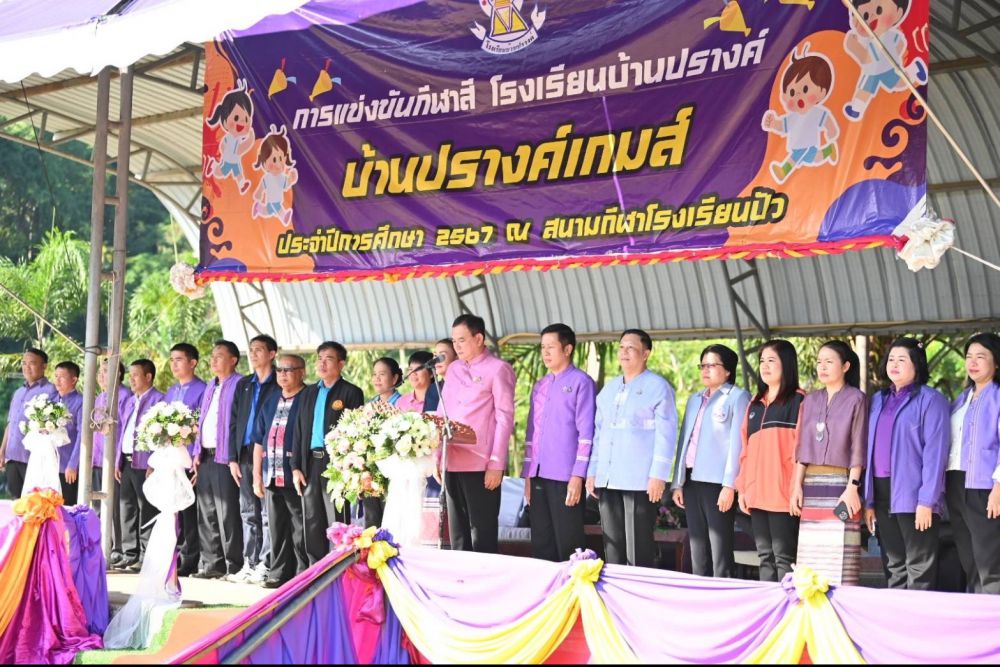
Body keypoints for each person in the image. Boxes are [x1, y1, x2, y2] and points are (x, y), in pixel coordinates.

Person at [863, 337, 949, 590]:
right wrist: (869, 501)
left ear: (917, 365)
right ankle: (896, 614)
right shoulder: (878, 400)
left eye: (902, 360)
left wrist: (927, 501)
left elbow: (936, 454)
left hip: (914, 492)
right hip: (881, 491)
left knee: (918, 565)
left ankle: (918, 615)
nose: (894, 364)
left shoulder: (931, 400)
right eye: (891, 359)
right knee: (893, 564)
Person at [587, 329, 678, 567]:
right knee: (612, 547)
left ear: (645, 354)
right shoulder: (608, 390)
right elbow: (598, 434)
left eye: (631, 348)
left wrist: (658, 475)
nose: (624, 352)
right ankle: (615, 590)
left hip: (639, 480)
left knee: (639, 549)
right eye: (621, 347)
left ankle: (639, 590)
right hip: (608, 479)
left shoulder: (658, 387)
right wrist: (593, 471)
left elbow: (667, 436)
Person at [791, 341, 867, 586]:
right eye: (819, 362)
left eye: (829, 361)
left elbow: (859, 446)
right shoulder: (810, 400)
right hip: (811, 485)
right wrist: (796, 486)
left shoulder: (857, 399)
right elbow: (802, 447)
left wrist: (852, 487)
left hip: (842, 484)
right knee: (812, 551)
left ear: (845, 366)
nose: (822, 367)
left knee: (839, 551)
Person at [671, 344, 751, 578]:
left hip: (717, 483)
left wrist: (730, 486)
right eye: (702, 365)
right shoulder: (694, 399)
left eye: (712, 365)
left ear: (727, 370)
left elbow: (738, 444)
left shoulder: (737, 397)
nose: (705, 370)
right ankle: (700, 593)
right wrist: (678, 482)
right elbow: (685, 440)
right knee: (697, 547)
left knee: (720, 548)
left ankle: (723, 593)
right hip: (691, 479)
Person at [438, 314, 515, 553]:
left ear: (479, 338)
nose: (456, 346)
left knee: (482, 534)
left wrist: (496, 463)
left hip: (481, 463)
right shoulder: (453, 369)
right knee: (458, 535)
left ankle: (486, 577)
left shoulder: (499, 369)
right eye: (454, 341)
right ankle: (460, 575)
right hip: (452, 461)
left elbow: (505, 418)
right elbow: (442, 412)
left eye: (462, 340)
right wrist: (437, 456)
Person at [522, 323, 595, 562]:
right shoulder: (540, 386)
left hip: (566, 477)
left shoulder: (581, 382)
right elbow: (531, 433)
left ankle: (574, 587)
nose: (545, 352)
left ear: (567, 349)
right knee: (541, 543)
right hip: (538, 475)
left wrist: (578, 475)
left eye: (551, 347)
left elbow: (586, 432)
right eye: (542, 347)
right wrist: (528, 476)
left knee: (569, 544)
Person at [735, 339, 806, 582]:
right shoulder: (754, 404)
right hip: (757, 494)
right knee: (765, 556)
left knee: (784, 557)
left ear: (786, 364)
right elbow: (745, 451)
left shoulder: (799, 401)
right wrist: (743, 488)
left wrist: (796, 488)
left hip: (783, 494)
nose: (764, 366)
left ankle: (789, 604)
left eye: (771, 360)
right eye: (762, 361)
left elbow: (802, 451)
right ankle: (771, 605)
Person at [291, 341, 364, 565]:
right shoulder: (308, 393)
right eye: (319, 359)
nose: (322, 363)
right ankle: (316, 569)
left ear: (341, 364)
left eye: (329, 359)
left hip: (337, 465)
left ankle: (340, 566)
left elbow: (356, 431)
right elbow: (298, 431)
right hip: (310, 463)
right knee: (312, 519)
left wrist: (350, 466)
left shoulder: (351, 392)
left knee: (337, 518)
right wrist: (295, 467)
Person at [946, 332, 1000, 594]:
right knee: (969, 560)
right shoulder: (962, 398)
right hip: (956, 482)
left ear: (996, 362)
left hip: (985, 486)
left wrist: (998, 488)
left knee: (989, 561)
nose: (973, 362)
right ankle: (978, 612)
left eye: (981, 356)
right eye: (969, 356)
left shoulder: (997, 396)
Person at [252, 354, 308, 588]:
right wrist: (256, 475)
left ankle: (302, 573)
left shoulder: (308, 398)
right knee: (276, 526)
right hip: (271, 474)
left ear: (302, 372)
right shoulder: (272, 399)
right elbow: (258, 440)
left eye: (288, 370)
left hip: (296, 475)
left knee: (300, 526)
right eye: (279, 370)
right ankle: (278, 572)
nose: (282, 374)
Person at [191, 341, 244, 580]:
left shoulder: (240, 384)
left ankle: (234, 564)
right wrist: (196, 453)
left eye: (219, 356)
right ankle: (212, 563)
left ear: (233, 360)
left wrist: (234, 456)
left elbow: (237, 423)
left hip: (225, 457)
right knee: (207, 512)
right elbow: (202, 421)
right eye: (212, 356)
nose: (213, 360)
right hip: (205, 455)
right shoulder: (210, 386)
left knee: (227, 512)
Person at [229, 334, 278, 585]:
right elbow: (234, 421)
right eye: (251, 349)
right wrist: (232, 457)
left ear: (272, 354)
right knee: (248, 510)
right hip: (245, 454)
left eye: (259, 349)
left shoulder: (279, 383)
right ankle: (250, 562)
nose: (253, 354)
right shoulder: (244, 384)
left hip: (269, 454)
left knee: (267, 512)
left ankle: (266, 563)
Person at [114, 359, 165, 571]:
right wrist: (117, 460)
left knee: (147, 509)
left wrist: (154, 462)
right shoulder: (129, 401)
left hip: (145, 463)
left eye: (136, 375)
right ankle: (129, 553)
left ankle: (146, 554)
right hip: (127, 461)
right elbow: (122, 432)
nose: (131, 379)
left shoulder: (159, 400)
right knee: (127, 507)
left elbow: (162, 435)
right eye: (130, 375)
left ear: (148, 376)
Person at [164, 343, 207, 577]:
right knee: (174, 510)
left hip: (190, 459)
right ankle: (175, 555)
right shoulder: (171, 391)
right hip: (171, 460)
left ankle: (191, 558)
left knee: (190, 511)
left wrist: (196, 456)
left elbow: (201, 427)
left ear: (193, 362)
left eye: (179, 359)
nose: (174, 364)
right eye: (172, 360)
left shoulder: (202, 389)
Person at [0, 348, 58, 498]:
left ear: (44, 366)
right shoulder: (18, 392)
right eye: (24, 363)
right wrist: (2, 450)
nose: (26, 367)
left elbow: (53, 425)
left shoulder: (51, 391)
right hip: (12, 456)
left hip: (33, 459)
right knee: (16, 502)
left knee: (34, 503)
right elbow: (10, 423)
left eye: (32, 363)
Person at [94, 359, 130, 568]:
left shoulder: (124, 396)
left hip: (114, 461)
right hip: (98, 460)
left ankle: (117, 548)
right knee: (99, 506)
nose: (101, 375)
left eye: (106, 371)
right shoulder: (100, 397)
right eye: (100, 371)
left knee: (115, 507)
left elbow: (123, 430)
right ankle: (103, 545)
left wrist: (118, 460)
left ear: (118, 374)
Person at [398, 351, 441, 498]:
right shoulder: (402, 402)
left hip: (433, 466)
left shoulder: (440, 400)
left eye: (418, 370)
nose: (413, 374)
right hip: (408, 468)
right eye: (411, 370)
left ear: (431, 373)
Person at [53, 361, 84, 506]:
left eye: (62, 377)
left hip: (67, 467)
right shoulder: (50, 401)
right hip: (50, 464)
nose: (57, 380)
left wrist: (73, 464)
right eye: (56, 376)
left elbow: (82, 435)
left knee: (67, 508)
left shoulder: (81, 402)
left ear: (74, 380)